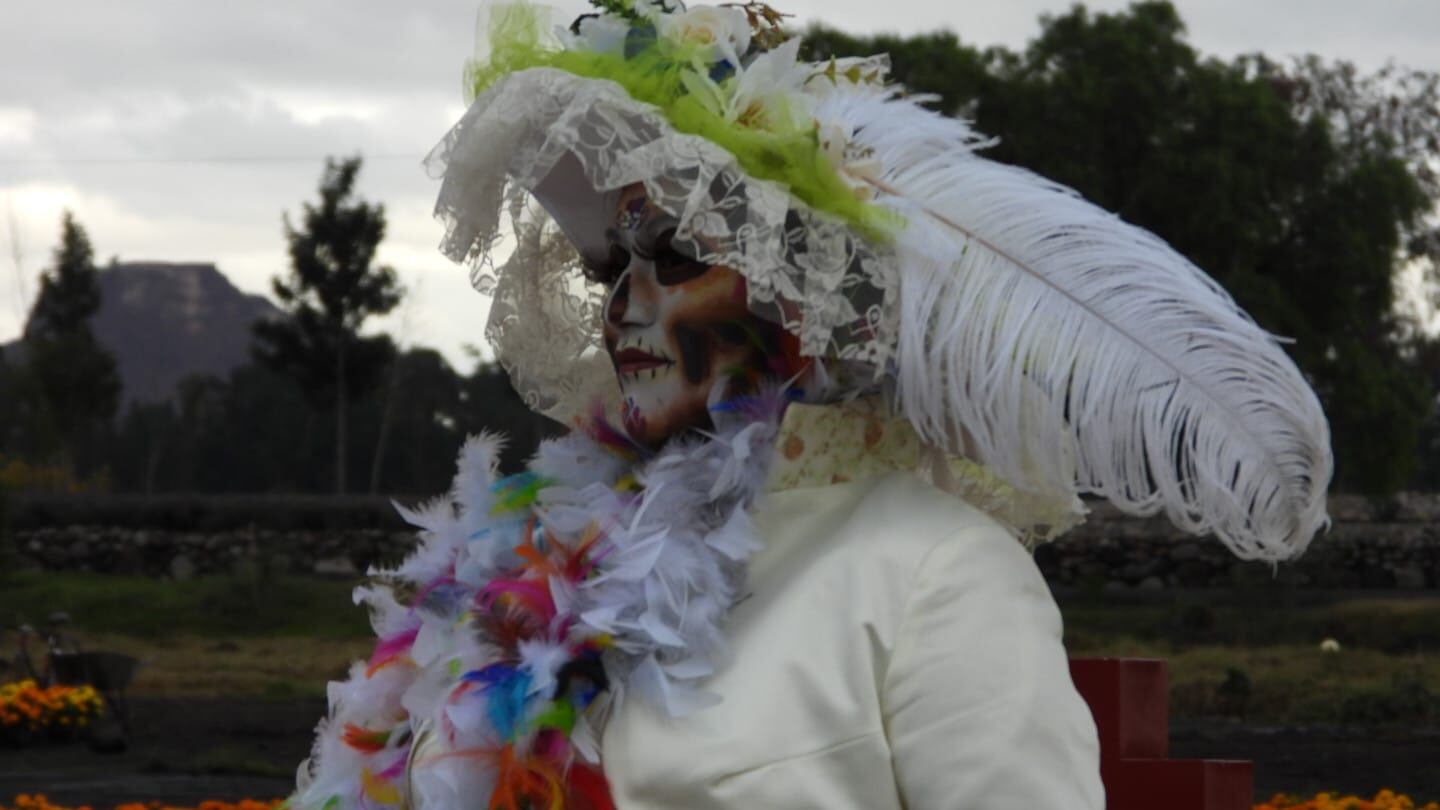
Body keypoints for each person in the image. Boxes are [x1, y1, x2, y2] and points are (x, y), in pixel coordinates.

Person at [291, 3, 1333, 808]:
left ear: (803, 301)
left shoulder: (936, 577)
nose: (626, 310)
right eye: (611, 269)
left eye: (681, 261)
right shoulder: (536, 574)